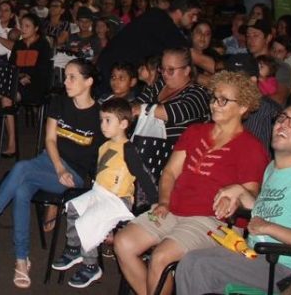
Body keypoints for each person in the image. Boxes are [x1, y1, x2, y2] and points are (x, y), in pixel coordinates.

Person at [0, 59, 102, 289]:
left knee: (20, 169)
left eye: (73, 77)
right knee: (21, 188)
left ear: (88, 81)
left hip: (75, 175)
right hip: (49, 163)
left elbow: (107, 154)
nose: (66, 82)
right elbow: (50, 140)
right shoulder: (59, 103)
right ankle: (21, 261)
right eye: (66, 76)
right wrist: (58, 167)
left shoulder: (99, 115)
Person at [114, 71, 269, 295]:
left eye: (223, 100)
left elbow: (249, 196)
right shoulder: (195, 132)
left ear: (243, 107)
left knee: (161, 256)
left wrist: (234, 199)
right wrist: (164, 201)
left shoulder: (251, 147)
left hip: (209, 220)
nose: (215, 104)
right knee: (123, 242)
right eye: (214, 98)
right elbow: (169, 172)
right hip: (173, 207)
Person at [176, 101, 291, 294]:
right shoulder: (273, 169)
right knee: (195, 262)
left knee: (198, 265)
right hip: (260, 257)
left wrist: (268, 228)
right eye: (282, 118)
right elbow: (271, 212)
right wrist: (240, 192)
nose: (283, 124)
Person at [50, 98, 158, 288]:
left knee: (87, 221)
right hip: (98, 192)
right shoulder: (104, 146)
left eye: (108, 120)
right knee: (73, 207)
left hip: (117, 199)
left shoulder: (128, 149)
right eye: (101, 120)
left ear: (124, 124)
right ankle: (74, 248)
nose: (103, 125)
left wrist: (156, 202)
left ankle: (91, 266)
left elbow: (143, 175)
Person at [96, 0, 199, 93]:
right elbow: (189, 55)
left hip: (118, 72)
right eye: (192, 14)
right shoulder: (163, 22)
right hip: (114, 74)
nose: (195, 19)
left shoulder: (156, 16)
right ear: (179, 12)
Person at [132, 48, 211, 147]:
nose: (164, 74)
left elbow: (178, 112)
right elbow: (134, 105)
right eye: (162, 68)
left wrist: (144, 109)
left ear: (186, 70)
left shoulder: (198, 93)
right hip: (143, 148)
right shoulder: (159, 85)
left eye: (170, 70)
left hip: (179, 155)